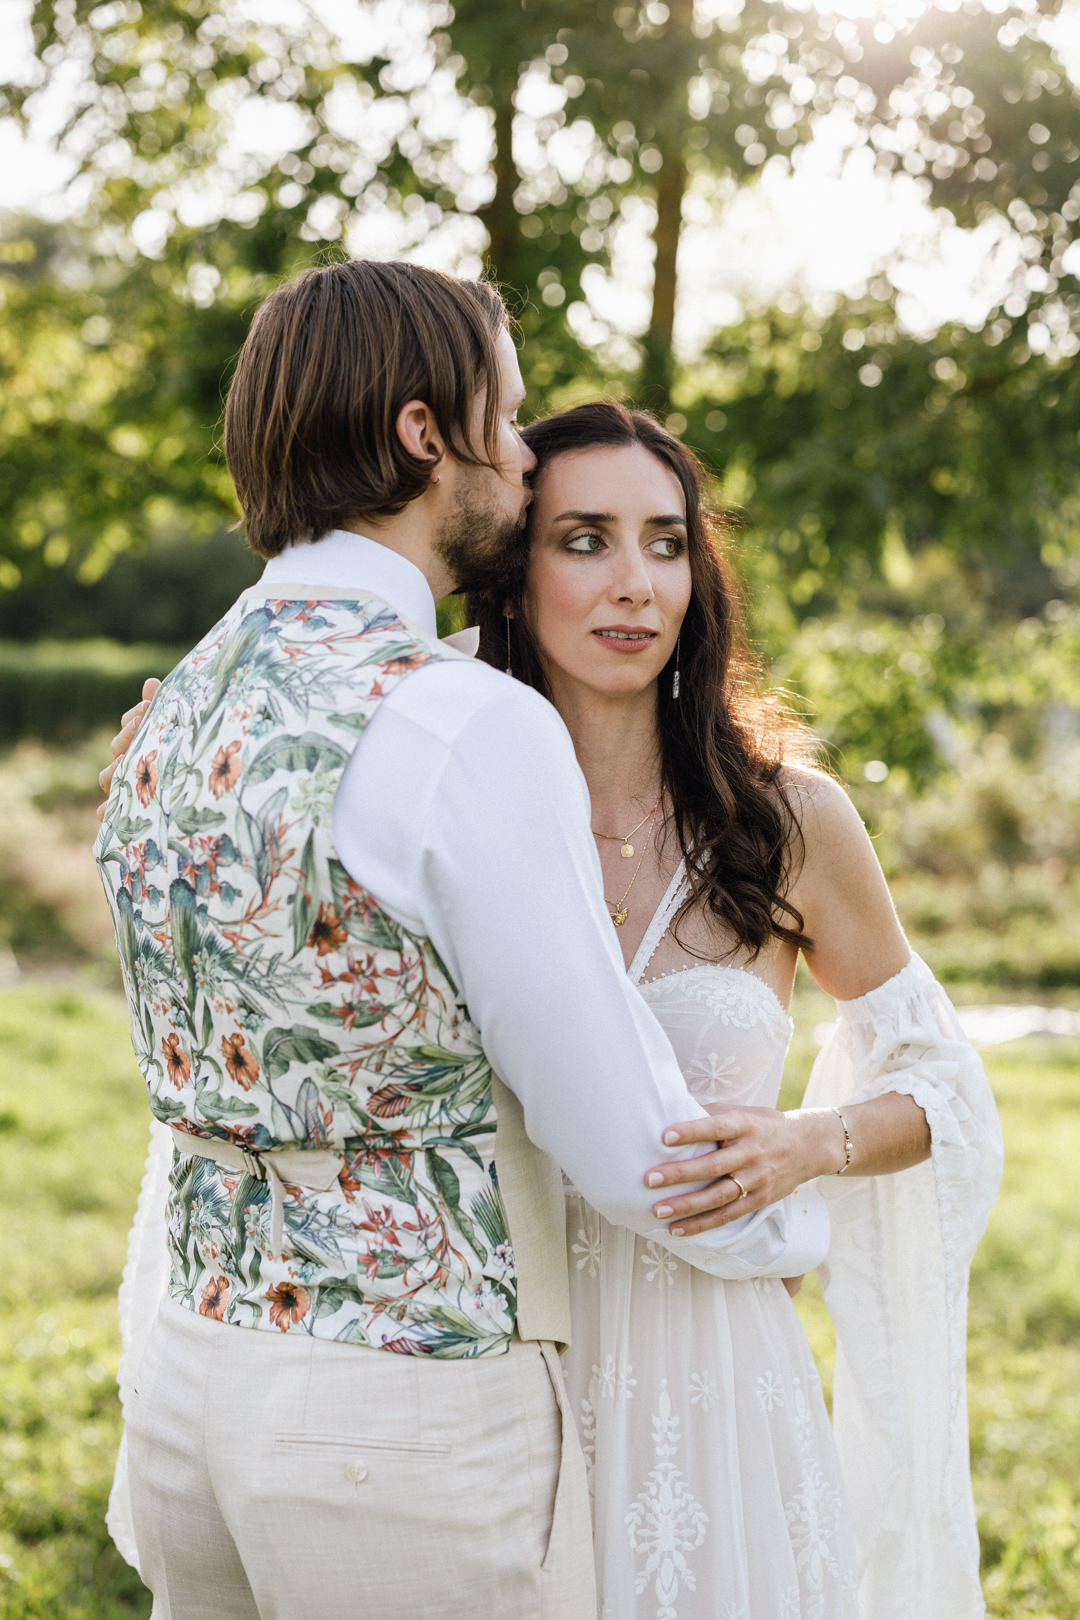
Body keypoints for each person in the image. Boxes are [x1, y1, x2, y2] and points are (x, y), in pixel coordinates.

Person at [93, 261, 832, 1620]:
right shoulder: (460, 726)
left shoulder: (178, 709)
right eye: (508, 415)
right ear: (428, 436)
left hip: (195, 1377)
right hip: (406, 1420)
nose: (521, 456)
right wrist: (813, 1214)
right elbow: (636, 1154)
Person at [461, 400, 1004, 1619]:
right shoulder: (457, 810)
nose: (635, 583)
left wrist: (808, 1144)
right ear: (514, 567)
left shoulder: (788, 821)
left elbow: (946, 1090)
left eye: (666, 543)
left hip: (718, 1383)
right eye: (585, 539)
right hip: (499, 1390)